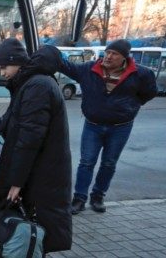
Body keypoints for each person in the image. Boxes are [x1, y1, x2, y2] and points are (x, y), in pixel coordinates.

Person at [0, 39, 72, 253]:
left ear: (16, 61)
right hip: (39, 171)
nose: (2, 73)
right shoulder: (32, 83)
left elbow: (29, 140)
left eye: (3, 67)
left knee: (32, 231)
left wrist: (16, 183)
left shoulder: (37, 86)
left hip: (40, 174)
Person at [60, 39, 157, 214]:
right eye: (108, 52)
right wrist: (49, 53)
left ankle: (98, 197)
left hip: (120, 127)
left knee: (109, 164)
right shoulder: (89, 69)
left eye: (114, 54)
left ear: (124, 58)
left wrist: (131, 106)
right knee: (86, 162)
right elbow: (66, 66)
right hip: (93, 126)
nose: (109, 56)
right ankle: (79, 199)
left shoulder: (140, 74)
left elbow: (149, 92)